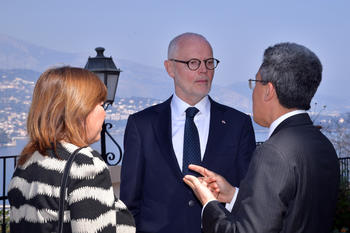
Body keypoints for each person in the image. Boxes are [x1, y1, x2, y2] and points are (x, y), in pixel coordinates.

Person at [183, 42, 340, 233]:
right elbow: (291, 211)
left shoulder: (273, 152)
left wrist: (209, 203)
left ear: (269, 90)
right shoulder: (322, 144)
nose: (253, 92)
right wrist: (233, 195)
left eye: (255, 83)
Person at [120, 32, 256, 233]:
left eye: (209, 62)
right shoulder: (142, 125)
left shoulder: (238, 124)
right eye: (193, 62)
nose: (204, 70)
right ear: (170, 68)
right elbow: (129, 205)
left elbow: (249, 197)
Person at [8, 67, 136, 233]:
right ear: (79, 109)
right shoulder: (84, 165)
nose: (104, 113)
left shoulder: (28, 160)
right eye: (100, 104)